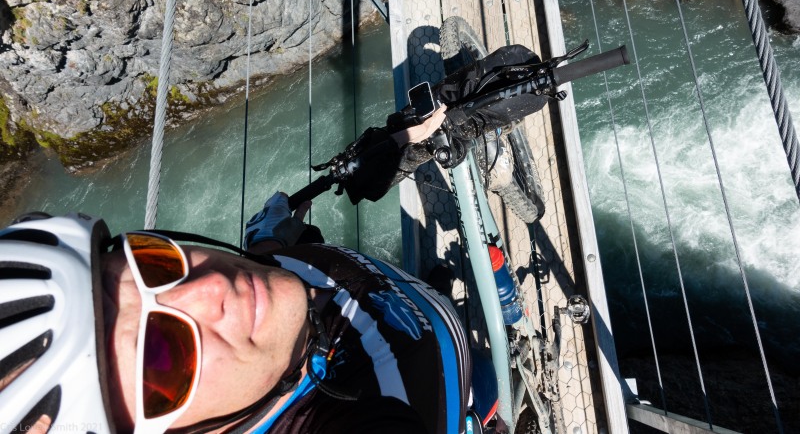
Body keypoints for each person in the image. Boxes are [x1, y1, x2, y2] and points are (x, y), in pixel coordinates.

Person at [0, 193, 479, 434]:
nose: (210, 287)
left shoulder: (265, 275)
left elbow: (268, 255)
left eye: (151, 263)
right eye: (163, 356)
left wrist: (270, 234)